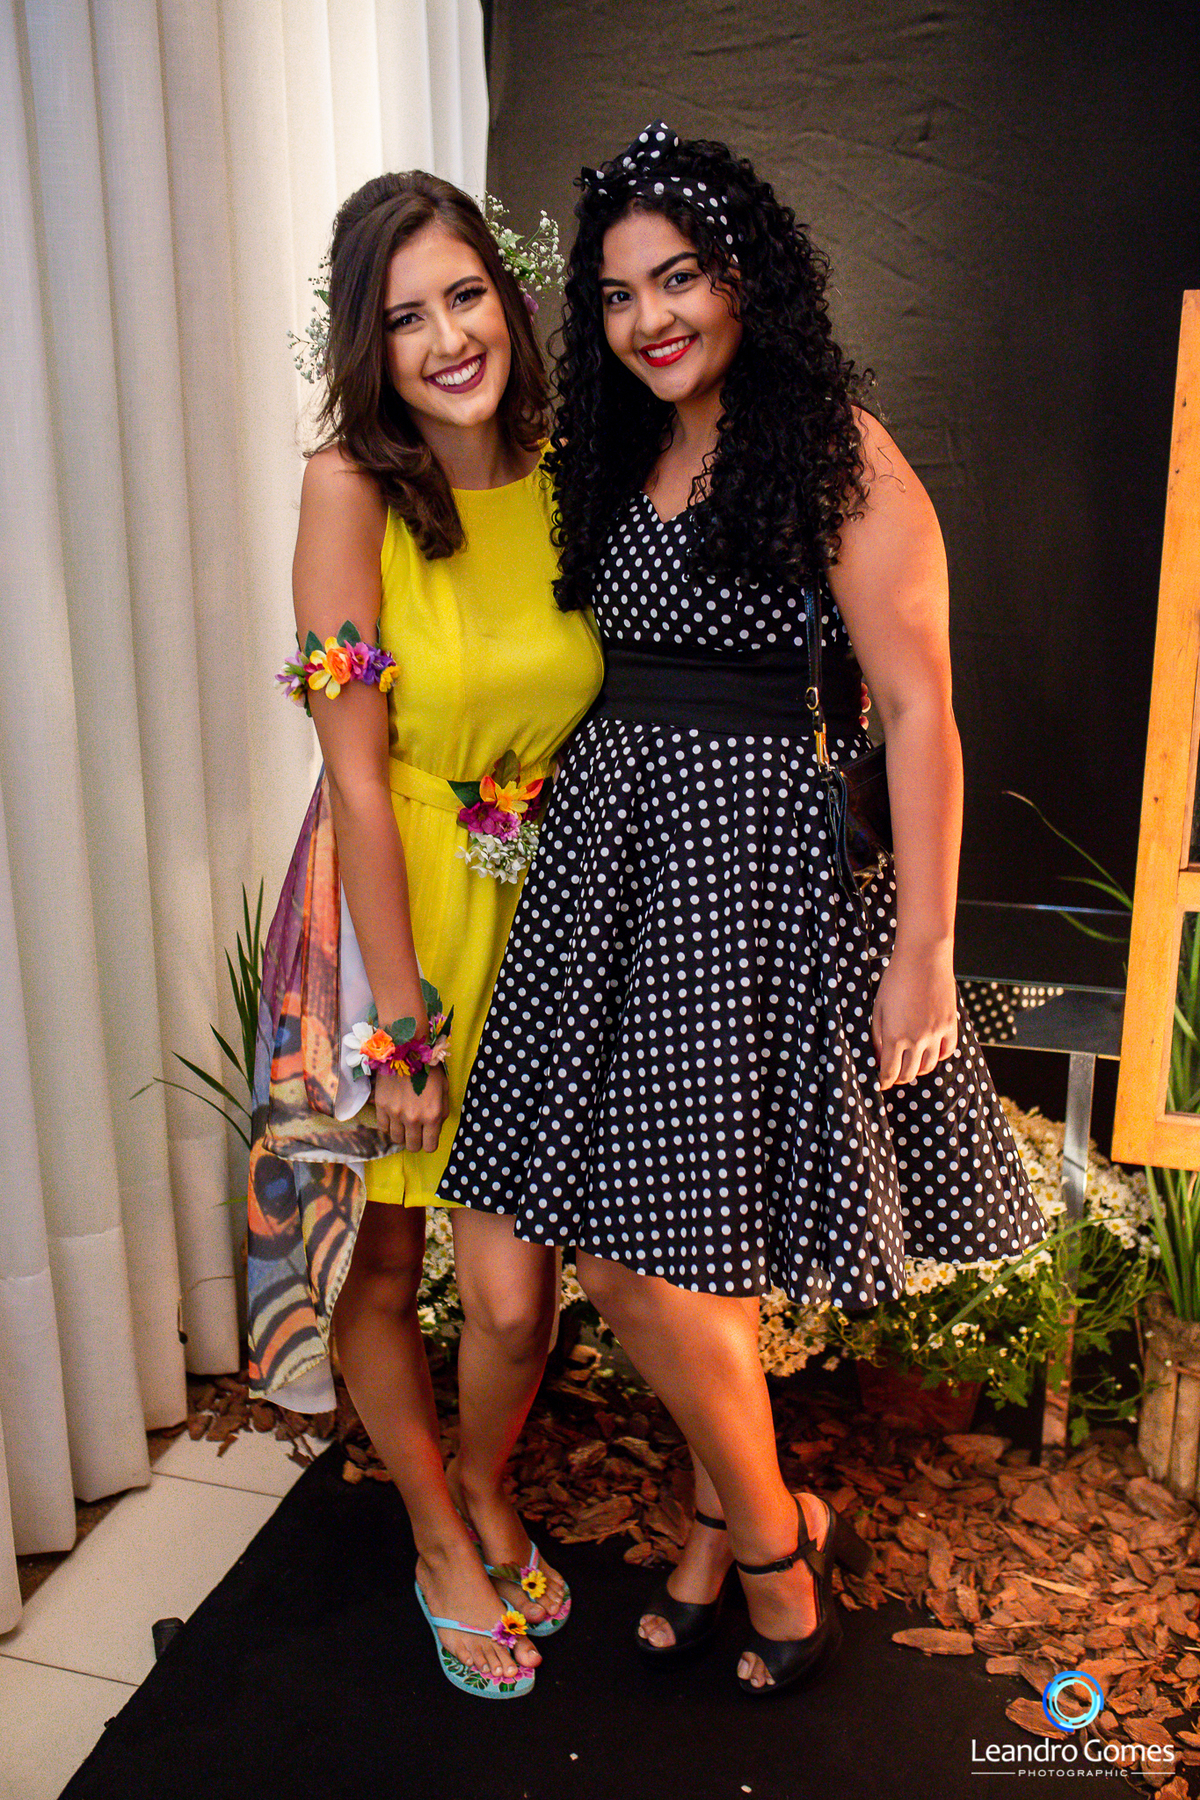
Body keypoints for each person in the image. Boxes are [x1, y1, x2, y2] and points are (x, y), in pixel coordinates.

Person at [440, 125, 1046, 1695]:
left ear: (744, 277)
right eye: (619, 293)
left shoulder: (837, 449)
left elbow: (920, 710)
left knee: (658, 1260)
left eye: (681, 278)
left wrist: (926, 950)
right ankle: (754, 1520)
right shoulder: (615, 452)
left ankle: (760, 1543)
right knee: (634, 1255)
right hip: (607, 876)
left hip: (746, 875)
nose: (650, 317)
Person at [245, 171, 603, 1699]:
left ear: (507, 298)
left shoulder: (578, 467)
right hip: (386, 915)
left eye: (465, 297)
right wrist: (401, 1024)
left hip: (538, 905)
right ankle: (440, 1538)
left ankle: (480, 1477)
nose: (449, 339)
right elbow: (354, 776)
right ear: (367, 345)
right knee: (385, 1260)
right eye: (406, 318)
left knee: (516, 1293)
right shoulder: (350, 487)